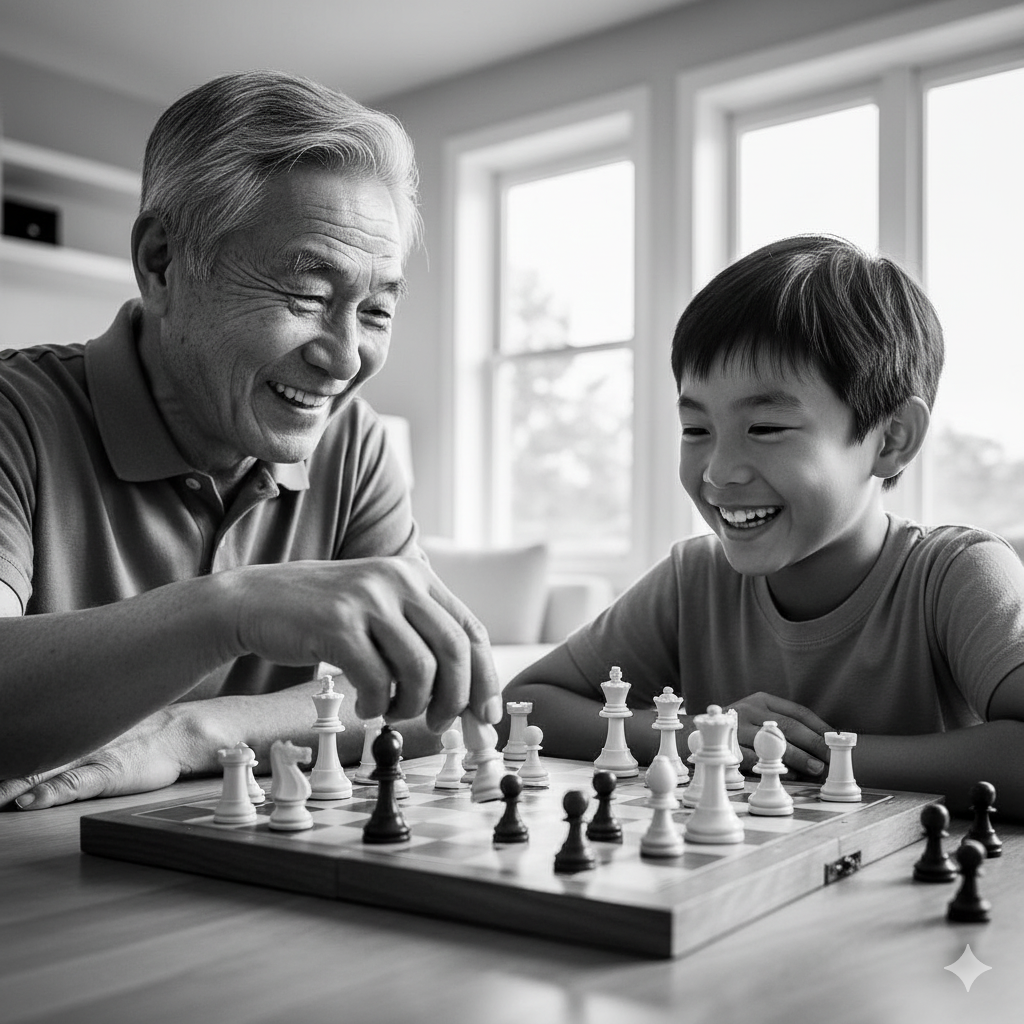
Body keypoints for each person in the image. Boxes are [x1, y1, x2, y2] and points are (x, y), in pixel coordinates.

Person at [0, 71, 500, 810]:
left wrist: (191, 732)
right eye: (307, 296)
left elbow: (426, 702)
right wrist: (232, 608)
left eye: (375, 310)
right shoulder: (16, 415)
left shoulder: (350, 442)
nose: (345, 357)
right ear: (162, 264)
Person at [504, 234, 1024, 817]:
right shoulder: (694, 579)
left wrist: (816, 757)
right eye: (695, 429)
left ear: (891, 438)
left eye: (767, 427)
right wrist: (711, 738)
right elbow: (525, 705)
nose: (719, 473)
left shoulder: (955, 576)